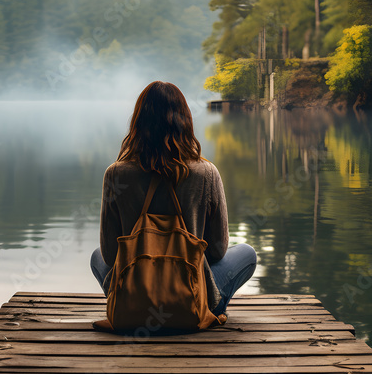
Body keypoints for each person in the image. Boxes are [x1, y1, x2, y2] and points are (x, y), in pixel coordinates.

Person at [90, 80, 257, 317]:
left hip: (134, 302)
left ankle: (133, 305)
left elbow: (109, 255)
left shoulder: (116, 173)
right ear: (185, 121)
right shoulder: (206, 173)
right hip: (191, 299)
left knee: (96, 256)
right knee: (247, 253)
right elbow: (218, 250)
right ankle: (206, 307)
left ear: (138, 122)